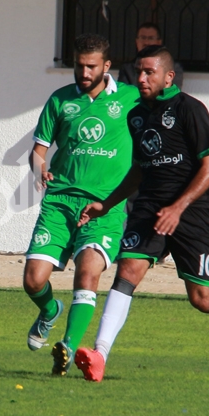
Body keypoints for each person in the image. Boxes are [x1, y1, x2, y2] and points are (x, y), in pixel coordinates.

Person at [73, 45, 209, 383]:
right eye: (138, 72)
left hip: (192, 212)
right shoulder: (136, 116)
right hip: (149, 208)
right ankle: (100, 354)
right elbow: (139, 170)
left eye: (149, 73)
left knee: (201, 298)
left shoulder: (191, 110)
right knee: (127, 270)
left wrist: (177, 207)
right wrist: (107, 203)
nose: (141, 78)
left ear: (168, 76)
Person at [23, 33, 140, 376]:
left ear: (107, 66)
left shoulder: (132, 100)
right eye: (79, 65)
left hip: (104, 208)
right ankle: (48, 311)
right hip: (59, 203)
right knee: (33, 280)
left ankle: (68, 348)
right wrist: (39, 170)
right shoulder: (60, 101)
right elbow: (39, 151)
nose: (84, 72)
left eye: (91, 66)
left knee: (87, 273)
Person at [117, 22, 184, 90]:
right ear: (136, 41)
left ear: (159, 42)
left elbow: (174, 91)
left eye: (151, 38)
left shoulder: (174, 66)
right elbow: (124, 93)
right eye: (143, 37)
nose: (146, 42)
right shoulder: (127, 68)